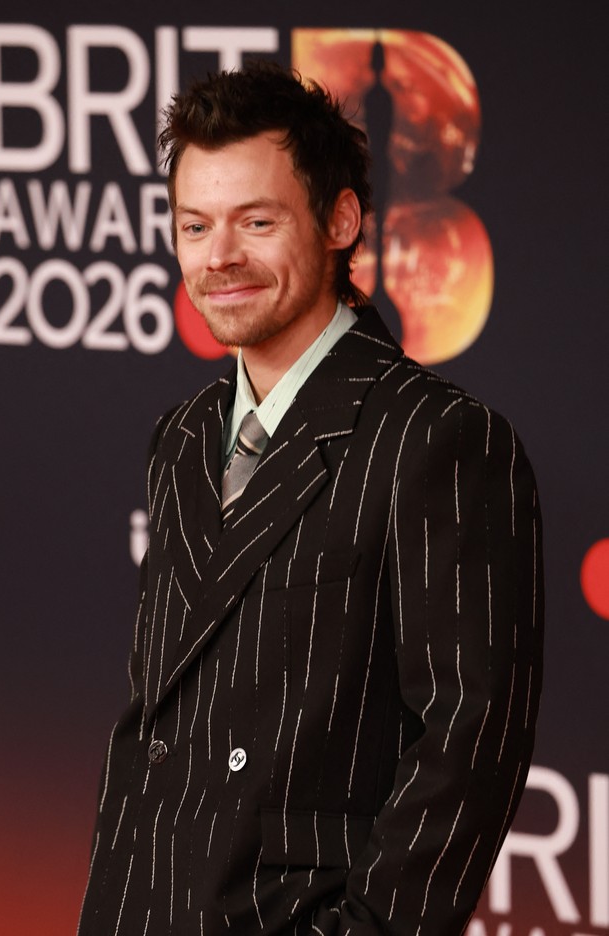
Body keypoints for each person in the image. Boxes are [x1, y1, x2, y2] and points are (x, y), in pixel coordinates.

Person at [77, 61, 543, 936]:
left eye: (257, 222)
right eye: (195, 224)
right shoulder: (179, 439)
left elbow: (470, 747)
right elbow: (156, 729)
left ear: (341, 219)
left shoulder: (438, 438)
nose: (219, 256)